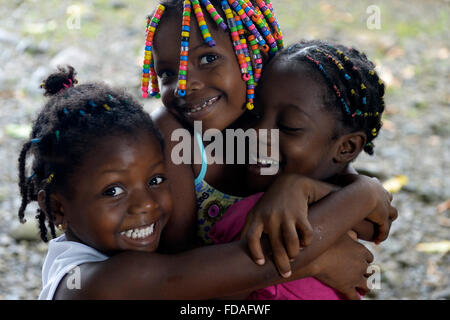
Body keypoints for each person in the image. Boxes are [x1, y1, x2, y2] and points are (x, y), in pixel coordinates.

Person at [19, 66, 383, 300]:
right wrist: (323, 253)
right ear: (57, 208)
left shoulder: (123, 251)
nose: (146, 204)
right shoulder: (95, 284)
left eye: (157, 179)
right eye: (113, 191)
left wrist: (329, 190)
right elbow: (254, 264)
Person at [143, 0, 396, 284]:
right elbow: (176, 261)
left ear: (255, 54)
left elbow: (371, 223)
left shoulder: (277, 106)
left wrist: (312, 189)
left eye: (208, 59)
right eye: (167, 73)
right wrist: (316, 260)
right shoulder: (176, 135)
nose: (183, 84)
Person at [210, 40, 396, 299]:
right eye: (254, 113)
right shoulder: (250, 216)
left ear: (346, 147)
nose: (256, 133)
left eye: (289, 127)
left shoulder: (253, 218)